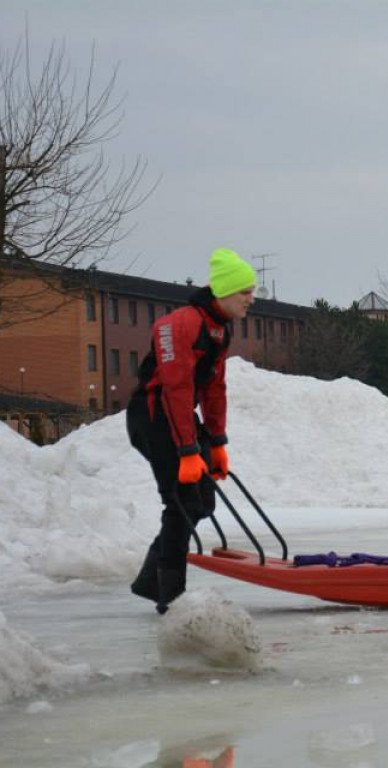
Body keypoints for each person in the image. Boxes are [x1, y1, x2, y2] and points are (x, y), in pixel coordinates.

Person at [126, 248, 257, 613]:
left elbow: (214, 388)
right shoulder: (179, 324)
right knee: (181, 501)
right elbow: (176, 387)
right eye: (245, 292)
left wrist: (216, 441)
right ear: (224, 291)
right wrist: (186, 449)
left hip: (180, 418)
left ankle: (150, 580)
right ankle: (170, 598)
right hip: (153, 416)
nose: (251, 299)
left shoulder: (219, 330)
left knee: (203, 502)